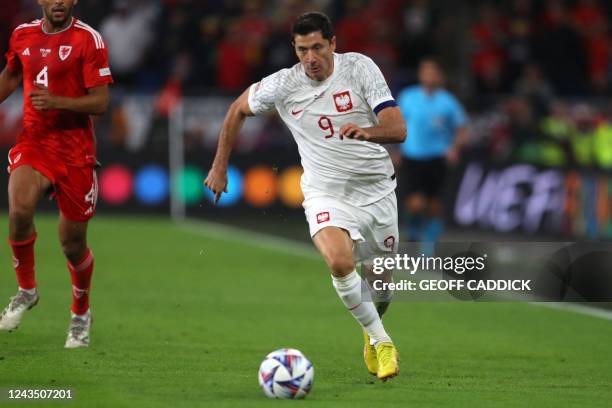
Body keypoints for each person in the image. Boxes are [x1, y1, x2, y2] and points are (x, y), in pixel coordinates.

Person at [205, 11, 405, 380]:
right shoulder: (283, 84)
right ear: (294, 50)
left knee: (381, 287)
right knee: (339, 262)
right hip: (324, 192)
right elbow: (236, 110)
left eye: (317, 48)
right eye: (302, 50)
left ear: (332, 44)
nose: (310, 58)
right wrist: (219, 167)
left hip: (376, 191)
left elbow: (397, 127)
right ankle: (382, 341)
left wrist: (366, 132)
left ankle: (370, 328)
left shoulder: (360, 68)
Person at [0, 0, 112, 348]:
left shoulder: (88, 40)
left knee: (72, 244)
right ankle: (26, 290)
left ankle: (80, 313)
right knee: (18, 210)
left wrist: (60, 101)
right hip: (35, 143)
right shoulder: (22, 35)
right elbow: (13, 74)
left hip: (76, 153)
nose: (59, 2)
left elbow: (101, 102)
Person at [396, 58, 467, 251]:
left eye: (432, 72)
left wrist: (454, 147)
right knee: (414, 203)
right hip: (412, 156)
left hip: (436, 158)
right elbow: (397, 125)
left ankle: (428, 243)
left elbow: (462, 129)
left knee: (434, 204)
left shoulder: (448, 102)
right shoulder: (408, 97)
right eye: (425, 71)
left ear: (439, 76)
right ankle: (414, 231)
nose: (428, 76)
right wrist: (396, 150)